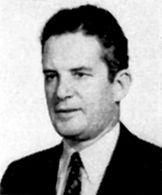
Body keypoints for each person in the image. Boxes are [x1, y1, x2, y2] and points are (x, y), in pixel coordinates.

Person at [1, 4, 161, 195]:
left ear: (119, 86)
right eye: (51, 76)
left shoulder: (157, 173)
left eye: (80, 74)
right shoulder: (20, 177)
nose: (60, 92)